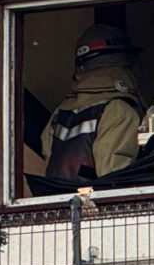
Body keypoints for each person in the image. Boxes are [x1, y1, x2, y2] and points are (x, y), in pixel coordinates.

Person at [39, 23, 147, 185]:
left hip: (63, 206)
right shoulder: (118, 110)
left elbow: (49, 165)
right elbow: (115, 179)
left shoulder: (59, 113)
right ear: (125, 62)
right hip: (97, 208)